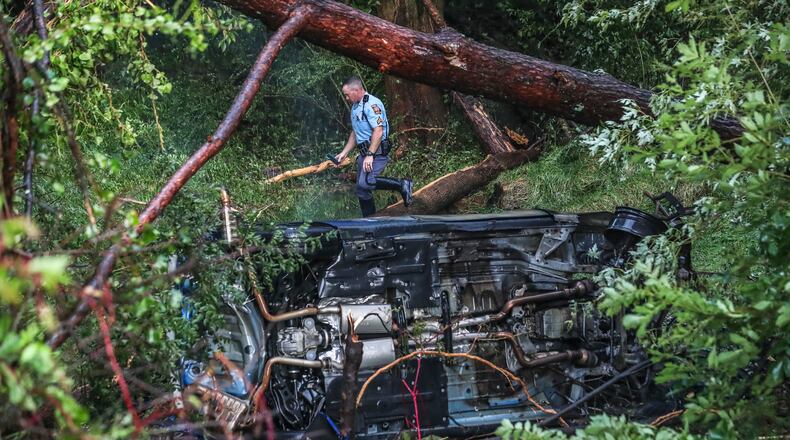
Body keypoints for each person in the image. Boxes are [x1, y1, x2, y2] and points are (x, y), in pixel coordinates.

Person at [334, 76, 412, 217]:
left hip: (377, 152)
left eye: (347, 94)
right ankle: (369, 221)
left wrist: (370, 155)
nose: (346, 98)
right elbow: (355, 133)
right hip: (365, 153)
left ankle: (402, 184)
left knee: (366, 183)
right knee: (361, 190)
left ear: (356, 90)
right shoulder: (355, 107)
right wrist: (344, 152)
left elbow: (379, 130)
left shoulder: (372, 104)